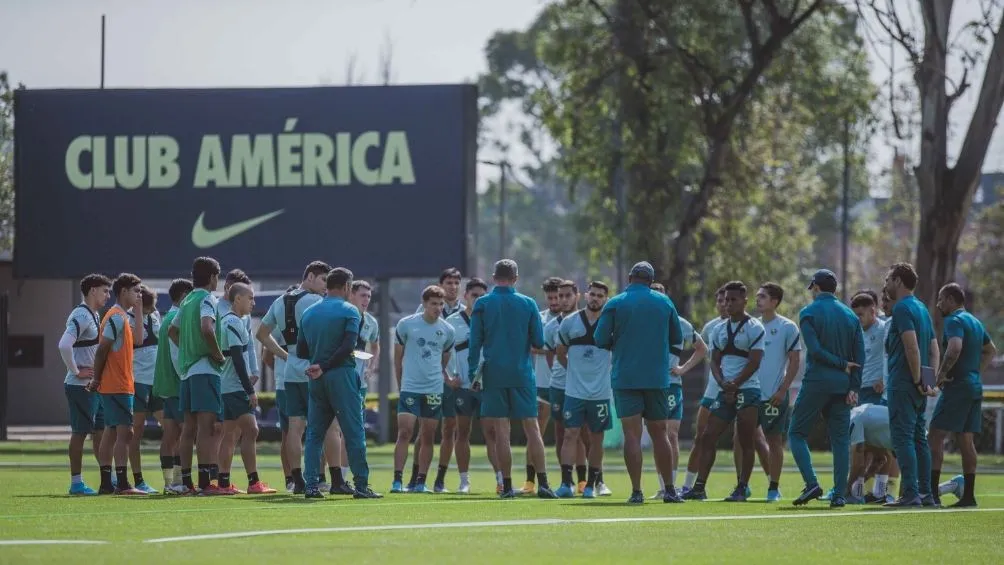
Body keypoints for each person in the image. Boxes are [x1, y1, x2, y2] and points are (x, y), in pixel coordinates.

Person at [595, 261, 683, 504]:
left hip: (626, 377)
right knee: (660, 434)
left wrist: (619, 342)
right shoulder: (664, 302)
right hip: (656, 377)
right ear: (650, 279)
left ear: (631, 277)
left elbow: (600, 338)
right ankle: (670, 490)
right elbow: (676, 337)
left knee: (632, 435)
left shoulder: (615, 303)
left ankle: (636, 491)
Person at [468, 259, 555, 499]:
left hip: (493, 373)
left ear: (494, 277)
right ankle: (544, 484)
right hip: (522, 373)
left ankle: (506, 486)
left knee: (501, 431)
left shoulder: (482, 304)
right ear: (515, 278)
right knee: (533, 428)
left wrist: (471, 374)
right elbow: (539, 341)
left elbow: (474, 343)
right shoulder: (528, 304)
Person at [297, 267, 382, 499]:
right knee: (354, 432)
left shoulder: (309, 313)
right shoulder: (350, 311)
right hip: (342, 375)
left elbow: (302, 349)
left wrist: (319, 363)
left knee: (314, 433)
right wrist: (326, 365)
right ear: (346, 287)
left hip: (316, 377)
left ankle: (312, 486)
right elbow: (348, 347)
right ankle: (362, 486)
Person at [789, 269, 864, 508]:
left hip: (818, 382)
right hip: (843, 386)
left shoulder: (808, 313)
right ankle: (840, 494)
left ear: (816, 287)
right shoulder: (851, 316)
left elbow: (816, 350)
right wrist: (854, 385)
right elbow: (859, 356)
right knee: (841, 440)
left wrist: (840, 364)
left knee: (796, 433)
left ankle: (811, 483)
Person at [255, 261, 331, 493]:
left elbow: (261, 334)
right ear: (310, 276)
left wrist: (286, 356)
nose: (325, 287)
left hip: (290, 371)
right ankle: (316, 478)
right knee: (317, 428)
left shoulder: (279, 301)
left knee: (294, 429)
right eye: (323, 281)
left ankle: (295, 479)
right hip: (312, 369)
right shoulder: (317, 302)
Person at [685, 280, 764, 503]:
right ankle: (699, 487)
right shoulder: (718, 329)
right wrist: (723, 383)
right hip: (724, 390)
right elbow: (714, 361)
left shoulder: (755, 328)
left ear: (744, 301)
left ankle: (742, 488)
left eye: (733, 300)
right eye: (726, 300)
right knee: (708, 437)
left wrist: (736, 383)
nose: (728, 304)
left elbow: (755, 361)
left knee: (746, 440)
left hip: (748, 390)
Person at [929, 282, 995, 507]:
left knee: (935, 435)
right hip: (974, 386)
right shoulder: (975, 321)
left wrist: (940, 374)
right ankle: (968, 497)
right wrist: (976, 372)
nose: (938, 304)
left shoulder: (954, 320)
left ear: (949, 299)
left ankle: (932, 495)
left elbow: (954, 347)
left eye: (940, 299)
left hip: (957, 386)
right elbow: (991, 349)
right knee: (966, 441)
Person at [883, 262, 940, 507]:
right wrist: (928, 382)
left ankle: (909, 493)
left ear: (897, 280)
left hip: (904, 384)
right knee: (918, 438)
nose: (885, 285)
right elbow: (934, 349)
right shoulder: (922, 308)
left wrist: (917, 379)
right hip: (917, 386)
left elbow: (912, 346)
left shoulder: (902, 308)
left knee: (902, 439)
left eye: (887, 280)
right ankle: (926, 493)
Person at [392, 286, 458, 493]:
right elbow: (398, 359)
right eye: (433, 304)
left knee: (428, 435)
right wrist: (401, 383)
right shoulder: (406, 325)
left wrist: (442, 376)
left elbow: (445, 357)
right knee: (405, 432)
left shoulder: (447, 330)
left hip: (433, 389)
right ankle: (397, 480)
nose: (438, 308)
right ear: (424, 304)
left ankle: (421, 481)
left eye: (441, 304)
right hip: (410, 387)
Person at [170, 256, 225, 495]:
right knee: (206, 428)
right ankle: (204, 483)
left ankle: (185, 481)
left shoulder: (187, 300)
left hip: (187, 372)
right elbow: (206, 327)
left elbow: (173, 331)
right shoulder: (207, 299)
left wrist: (186, 349)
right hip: (204, 370)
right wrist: (217, 354)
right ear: (213, 277)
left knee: (189, 429)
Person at [88, 273, 146, 495]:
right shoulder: (115, 317)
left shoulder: (122, 317)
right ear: (124, 292)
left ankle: (106, 483)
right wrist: (96, 378)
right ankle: (122, 483)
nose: (139, 295)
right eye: (136, 291)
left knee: (112, 432)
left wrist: (138, 310)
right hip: (117, 385)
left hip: (118, 384)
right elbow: (103, 348)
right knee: (125, 433)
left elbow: (139, 340)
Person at [554, 281, 612, 498]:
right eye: (593, 294)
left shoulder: (611, 324)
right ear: (586, 295)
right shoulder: (569, 323)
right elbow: (560, 352)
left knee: (597, 438)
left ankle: (591, 485)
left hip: (600, 393)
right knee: (570, 434)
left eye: (600, 295)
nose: (595, 298)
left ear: (605, 299)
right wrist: (574, 372)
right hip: (574, 392)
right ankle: (566, 484)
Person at [649, 282, 706, 500]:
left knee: (670, 433)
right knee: (657, 435)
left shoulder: (680, 323)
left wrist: (683, 368)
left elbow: (702, 349)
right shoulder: (643, 324)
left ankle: (671, 485)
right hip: (650, 383)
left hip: (671, 384)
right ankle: (663, 486)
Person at [849, 403, 966, 504]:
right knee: (911, 494)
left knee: (910, 495)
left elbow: (858, 462)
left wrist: (846, 490)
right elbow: (880, 459)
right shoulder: (862, 416)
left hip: (917, 444)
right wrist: (860, 482)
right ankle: (953, 485)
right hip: (917, 441)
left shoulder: (854, 419)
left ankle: (954, 485)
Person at [59, 273, 112, 495]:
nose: (108, 295)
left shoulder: (94, 314)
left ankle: (107, 480)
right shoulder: (81, 315)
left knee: (100, 432)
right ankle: (76, 483)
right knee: (80, 432)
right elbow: (63, 345)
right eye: (104, 291)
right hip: (80, 387)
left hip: (94, 386)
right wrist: (76, 371)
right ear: (92, 291)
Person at [413, 268, 464, 493]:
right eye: (449, 282)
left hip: (454, 381)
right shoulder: (423, 311)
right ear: (440, 284)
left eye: (456, 282)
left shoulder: (466, 312)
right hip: (429, 380)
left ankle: (440, 479)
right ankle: (416, 477)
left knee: (450, 428)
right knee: (425, 430)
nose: (453, 286)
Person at [752, 283, 801, 502]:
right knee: (742, 439)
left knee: (774, 441)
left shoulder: (788, 327)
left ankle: (774, 487)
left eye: (762, 297)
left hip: (774, 396)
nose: (758, 300)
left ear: (774, 301)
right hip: (751, 394)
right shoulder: (752, 326)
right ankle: (742, 486)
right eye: (757, 297)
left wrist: (783, 390)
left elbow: (794, 361)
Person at [445, 278, 492, 494]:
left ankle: (502, 478)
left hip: (488, 386)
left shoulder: (493, 319)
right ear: (465, 296)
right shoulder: (452, 322)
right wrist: (447, 378)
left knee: (492, 433)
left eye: (483, 296)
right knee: (462, 432)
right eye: (475, 295)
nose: (478, 299)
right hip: (462, 386)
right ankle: (464, 480)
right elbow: (440, 353)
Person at [545, 280, 590, 494]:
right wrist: (560, 373)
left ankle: (587, 480)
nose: (563, 300)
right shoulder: (551, 326)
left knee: (584, 432)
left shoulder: (586, 320)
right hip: (559, 385)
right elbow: (550, 354)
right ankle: (567, 481)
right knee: (562, 433)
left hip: (584, 386)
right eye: (559, 296)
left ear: (577, 296)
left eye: (567, 295)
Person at [682, 287, 728, 495]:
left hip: (742, 389)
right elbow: (701, 351)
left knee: (751, 438)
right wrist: (683, 369)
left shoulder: (750, 326)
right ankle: (688, 486)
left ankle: (766, 486)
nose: (723, 304)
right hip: (713, 389)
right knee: (701, 437)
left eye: (727, 300)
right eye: (719, 300)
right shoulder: (710, 327)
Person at [521, 276, 563, 494]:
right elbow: (530, 345)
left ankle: (574, 481)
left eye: (557, 297)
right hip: (542, 382)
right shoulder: (538, 317)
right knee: (536, 432)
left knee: (569, 433)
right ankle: (530, 481)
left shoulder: (574, 319)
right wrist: (550, 349)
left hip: (568, 383)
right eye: (550, 297)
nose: (554, 301)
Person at [153, 278, 193, 494]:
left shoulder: (166, 318)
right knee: (183, 433)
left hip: (165, 384)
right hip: (177, 384)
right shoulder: (175, 321)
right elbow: (177, 356)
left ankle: (170, 483)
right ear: (184, 296)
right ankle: (178, 482)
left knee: (170, 435)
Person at [127, 285, 162, 494]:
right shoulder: (130, 318)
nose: (152, 309)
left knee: (172, 425)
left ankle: (175, 478)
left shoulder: (155, 315)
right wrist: (139, 311)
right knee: (135, 431)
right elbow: (137, 341)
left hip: (157, 382)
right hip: (138, 381)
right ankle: (138, 479)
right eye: (148, 307)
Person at [851, 292, 888, 406]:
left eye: (860, 314)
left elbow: (894, 357)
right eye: (855, 315)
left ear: (872, 312)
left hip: (876, 390)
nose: (857, 319)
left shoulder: (884, 329)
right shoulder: (855, 333)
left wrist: (884, 380)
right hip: (859, 391)